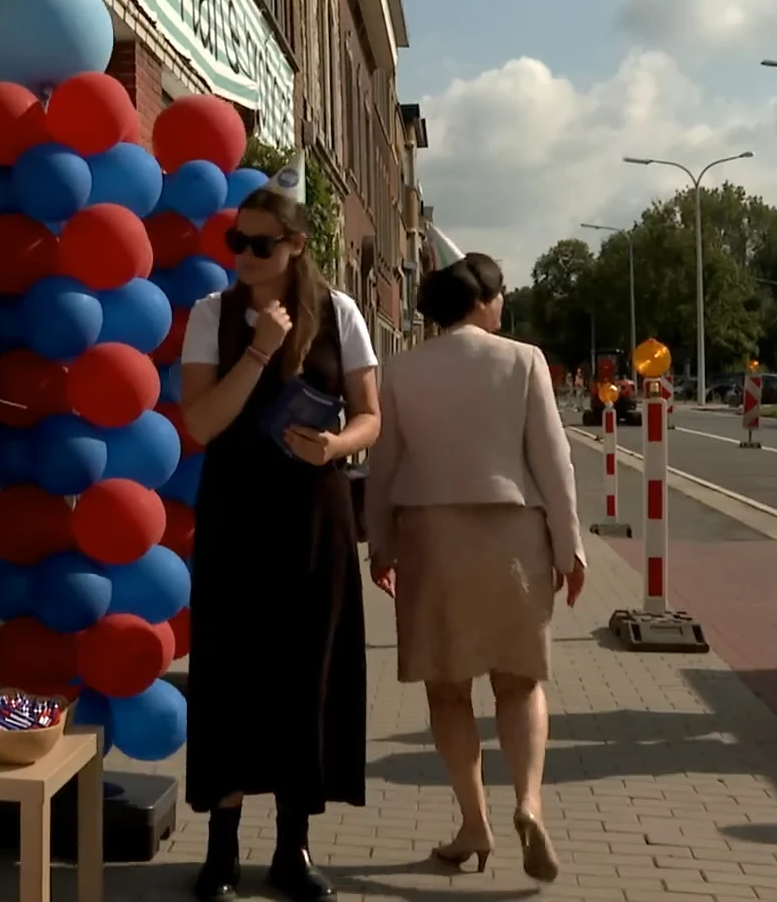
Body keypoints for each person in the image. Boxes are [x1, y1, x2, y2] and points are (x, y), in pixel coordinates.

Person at [178, 186, 382, 902]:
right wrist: (261, 351)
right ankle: (222, 847)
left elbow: (371, 418)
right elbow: (202, 422)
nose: (245, 257)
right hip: (237, 511)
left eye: (262, 245)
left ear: (295, 246)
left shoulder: (341, 313)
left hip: (313, 512)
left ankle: (294, 846)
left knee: (308, 672)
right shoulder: (214, 314)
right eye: (237, 242)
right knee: (231, 670)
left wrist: (335, 448)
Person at [361, 253, 586, 883]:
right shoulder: (523, 360)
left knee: (447, 688)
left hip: (430, 537)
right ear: (484, 299)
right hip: (513, 533)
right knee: (519, 682)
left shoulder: (402, 370)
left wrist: (380, 543)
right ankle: (529, 802)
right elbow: (554, 461)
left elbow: (384, 466)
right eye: (502, 293)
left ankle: (474, 820)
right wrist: (569, 549)